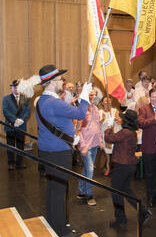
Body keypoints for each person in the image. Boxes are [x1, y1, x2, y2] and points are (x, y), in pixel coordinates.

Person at [34, 65, 91, 235]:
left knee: (53, 189)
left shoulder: (41, 100)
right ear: (51, 82)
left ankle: (53, 222)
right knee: (59, 191)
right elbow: (80, 114)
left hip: (48, 150)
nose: (63, 83)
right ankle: (59, 229)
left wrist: (70, 137)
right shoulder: (53, 102)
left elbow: (57, 123)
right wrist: (85, 96)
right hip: (58, 153)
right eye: (60, 80)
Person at [105, 110, 152, 229]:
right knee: (125, 190)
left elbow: (108, 138)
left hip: (123, 166)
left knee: (116, 191)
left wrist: (109, 126)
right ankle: (142, 211)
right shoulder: (131, 132)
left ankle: (121, 219)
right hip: (130, 165)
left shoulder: (125, 132)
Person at [76, 89, 103, 206]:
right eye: (91, 94)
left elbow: (97, 126)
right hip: (85, 145)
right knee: (90, 168)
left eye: (95, 95)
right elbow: (77, 130)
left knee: (86, 169)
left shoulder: (96, 109)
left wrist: (100, 141)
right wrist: (82, 145)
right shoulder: (81, 110)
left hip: (94, 144)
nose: (93, 96)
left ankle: (81, 191)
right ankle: (89, 194)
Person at [138, 88, 156, 207]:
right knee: (149, 173)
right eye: (152, 97)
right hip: (149, 147)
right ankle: (149, 196)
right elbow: (141, 124)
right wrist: (154, 118)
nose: (154, 99)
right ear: (149, 97)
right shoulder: (144, 109)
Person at [2, 79, 30, 170]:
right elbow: (5, 111)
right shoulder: (6, 98)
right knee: (10, 145)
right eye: (15, 87)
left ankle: (19, 163)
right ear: (12, 88)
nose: (17, 89)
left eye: (19, 87)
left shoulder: (25, 98)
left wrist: (21, 120)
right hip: (10, 125)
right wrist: (15, 120)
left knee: (20, 146)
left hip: (21, 126)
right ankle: (10, 163)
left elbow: (27, 111)